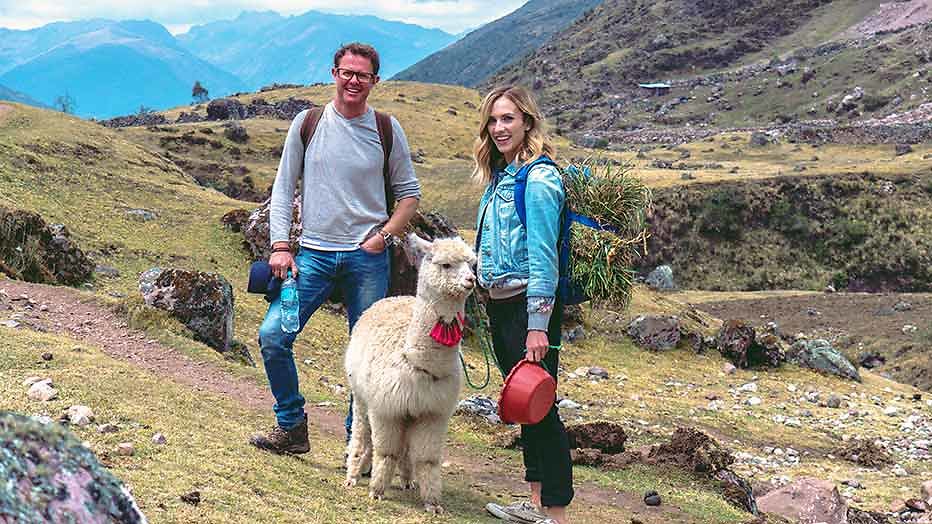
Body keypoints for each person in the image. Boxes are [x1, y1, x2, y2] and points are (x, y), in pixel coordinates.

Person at [250, 42, 420, 454]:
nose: (353, 81)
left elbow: (409, 195)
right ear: (334, 73)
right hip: (312, 255)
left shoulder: (386, 128)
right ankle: (291, 426)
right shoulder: (307, 123)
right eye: (347, 72)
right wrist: (280, 246)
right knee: (273, 335)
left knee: (368, 358)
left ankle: (356, 444)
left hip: (369, 259)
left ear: (374, 81)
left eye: (362, 75)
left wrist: (385, 237)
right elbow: (282, 187)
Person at [474, 85, 573, 524]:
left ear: (528, 122)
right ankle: (534, 505)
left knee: (542, 407)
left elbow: (543, 256)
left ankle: (556, 510)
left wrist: (537, 325)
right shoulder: (502, 176)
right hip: (500, 304)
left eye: (508, 119)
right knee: (523, 406)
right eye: (493, 120)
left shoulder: (538, 178)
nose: (499, 128)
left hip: (528, 310)